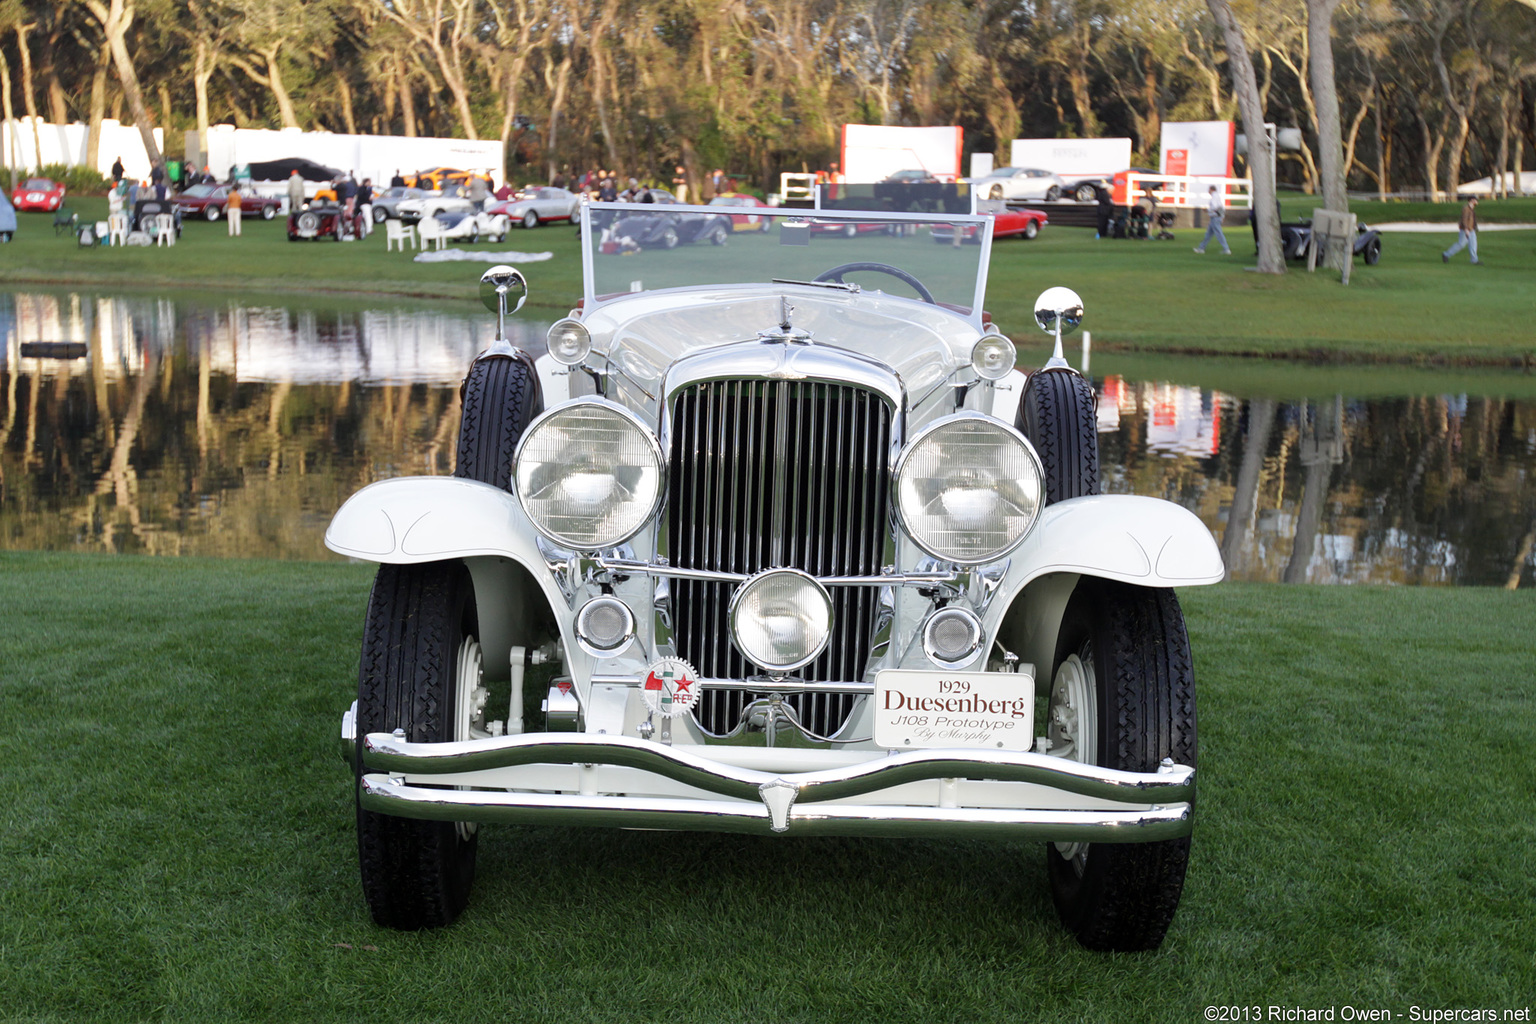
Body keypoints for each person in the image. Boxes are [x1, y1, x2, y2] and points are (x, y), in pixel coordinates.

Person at [1442, 196, 1481, 265]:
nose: (1477, 201)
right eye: (1475, 200)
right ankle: (1446, 254)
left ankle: (1474, 260)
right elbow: (1464, 219)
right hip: (1466, 230)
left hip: (1472, 229)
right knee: (1461, 244)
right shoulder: (1466, 208)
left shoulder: (1471, 208)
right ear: (1471, 200)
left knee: (1473, 244)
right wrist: (1466, 229)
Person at [1193, 185, 1231, 254]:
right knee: (1209, 234)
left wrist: (1207, 210)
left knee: (1218, 233)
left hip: (1215, 217)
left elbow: (1214, 207)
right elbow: (1220, 207)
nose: (1208, 191)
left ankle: (1226, 249)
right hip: (1217, 216)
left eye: (1209, 190)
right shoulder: (1217, 196)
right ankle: (1201, 248)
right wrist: (1222, 216)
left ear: (1211, 190)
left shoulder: (1214, 197)